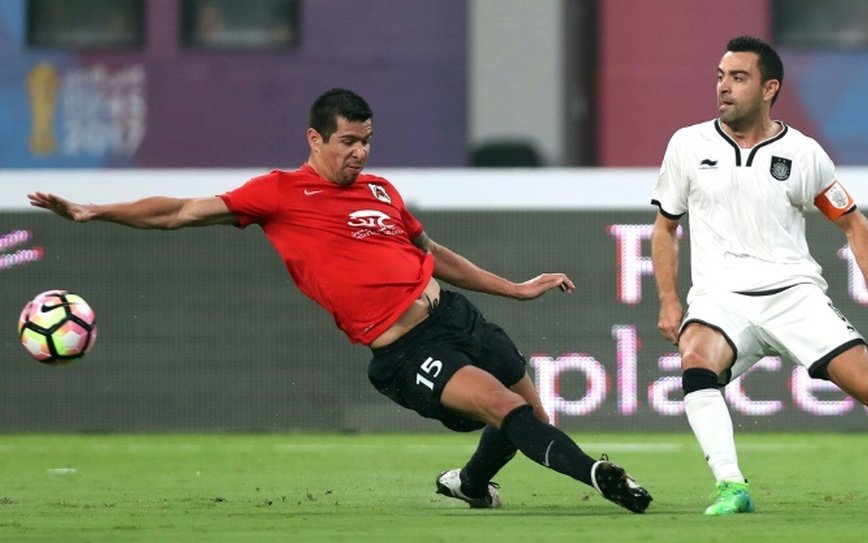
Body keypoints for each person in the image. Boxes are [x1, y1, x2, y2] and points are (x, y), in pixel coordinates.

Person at [28, 88, 651, 514]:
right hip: (406, 350)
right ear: (315, 139)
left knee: (527, 412)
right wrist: (95, 210)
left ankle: (469, 484)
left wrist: (513, 288)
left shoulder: (380, 189)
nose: (360, 153)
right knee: (498, 406)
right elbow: (179, 212)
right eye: (348, 141)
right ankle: (602, 478)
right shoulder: (278, 193)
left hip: (458, 318)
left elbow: (432, 253)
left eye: (367, 141)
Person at [650, 36, 868, 515]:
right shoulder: (687, 145)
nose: (724, 88)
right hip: (721, 297)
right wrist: (670, 300)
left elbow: (853, 221)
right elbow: (665, 228)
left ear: (769, 87)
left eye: (738, 78)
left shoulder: (803, 153)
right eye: (720, 76)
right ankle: (731, 486)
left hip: (794, 296)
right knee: (695, 363)